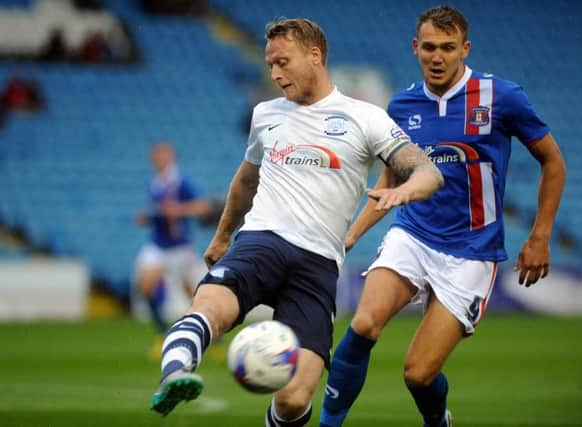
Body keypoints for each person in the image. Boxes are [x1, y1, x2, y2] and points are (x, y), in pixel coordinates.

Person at [149, 18, 444, 425]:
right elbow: (246, 179)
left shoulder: (365, 117)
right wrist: (222, 237)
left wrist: (404, 191)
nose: (274, 73)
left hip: (318, 264)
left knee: (294, 397)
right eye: (270, 64)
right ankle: (176, 375)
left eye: (282, 62)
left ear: (315, 56)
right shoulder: (265, 114)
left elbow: (428, 172)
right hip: (262, 240)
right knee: (211, 307)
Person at [319, 5, 566, 427]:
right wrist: (348, 237)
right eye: (429, 47)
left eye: (448, 48)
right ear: (415, 48)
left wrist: (540, 236)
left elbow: (553, 163)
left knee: (418, 374)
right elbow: (391, 185)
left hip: (472, 251)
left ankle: (437, 421)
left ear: (464, 49)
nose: (438, 56)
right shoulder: (403, 105)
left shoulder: (501, 97)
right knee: (363, 324)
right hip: (413, 234)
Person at [133, 141, 212, 337]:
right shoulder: (155, 182)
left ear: (171, 157)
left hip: (180, 247)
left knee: (192, 295)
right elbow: (160, 212)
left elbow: (203, 206)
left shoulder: (180, 181)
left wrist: (179, 210)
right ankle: (164, 334)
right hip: (158, 245)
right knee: (144, 287)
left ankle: (212, 336)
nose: (159, 160)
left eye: (163, 155)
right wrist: (148, 217)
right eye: (156, 156)